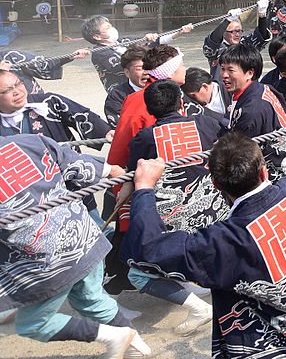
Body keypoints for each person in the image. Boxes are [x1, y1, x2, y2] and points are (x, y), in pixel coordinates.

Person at [124, 112, 286, 359]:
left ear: (216, 185)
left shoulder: (223, 241)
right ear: (263, 172)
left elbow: (150, 249)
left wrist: (144, 189)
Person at [0, 133, 149, 358]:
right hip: (83, 236)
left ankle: (116, 337)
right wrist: (124, 177)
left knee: (33, 324)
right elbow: (83, 166)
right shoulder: (29, 141)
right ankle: (138, 349)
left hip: (47, 259)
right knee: (92, 300)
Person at [123, 79, 227, 335]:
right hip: (214, 211)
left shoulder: (146, 137)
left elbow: (133, 172)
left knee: (138, 274)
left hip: (174, 222)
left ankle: (198, 308)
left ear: (149, 110)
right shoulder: (205, 122)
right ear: (182, 103)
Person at [221, 42, 286, 179]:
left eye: (230, 70)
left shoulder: (252, 110)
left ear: (250, 72)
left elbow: (241, 153)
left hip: (278, 179)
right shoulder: (265, 88)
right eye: (222, 69)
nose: (224, 75)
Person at [0, 67, 111, 144]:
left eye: (19, 84)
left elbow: (79, 114)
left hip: (63, 168)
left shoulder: (49, 101)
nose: (17, 92)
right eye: (7, 90)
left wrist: (106, 131)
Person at [202, 2, 270, 73]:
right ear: (224, 33)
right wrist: (227, 21)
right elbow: (212, 41)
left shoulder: (245, 43)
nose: (237, 35)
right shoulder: (217, 49)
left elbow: (261, 37)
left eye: (239, 31)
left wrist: (262, 15)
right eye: (233, 31)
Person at [103, 45, 147, 125]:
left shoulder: (164, 89)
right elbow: (120, 127)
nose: (146, 72)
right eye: (140, 69)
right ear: (127, 72)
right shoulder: (116, 96)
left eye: (150, 67)